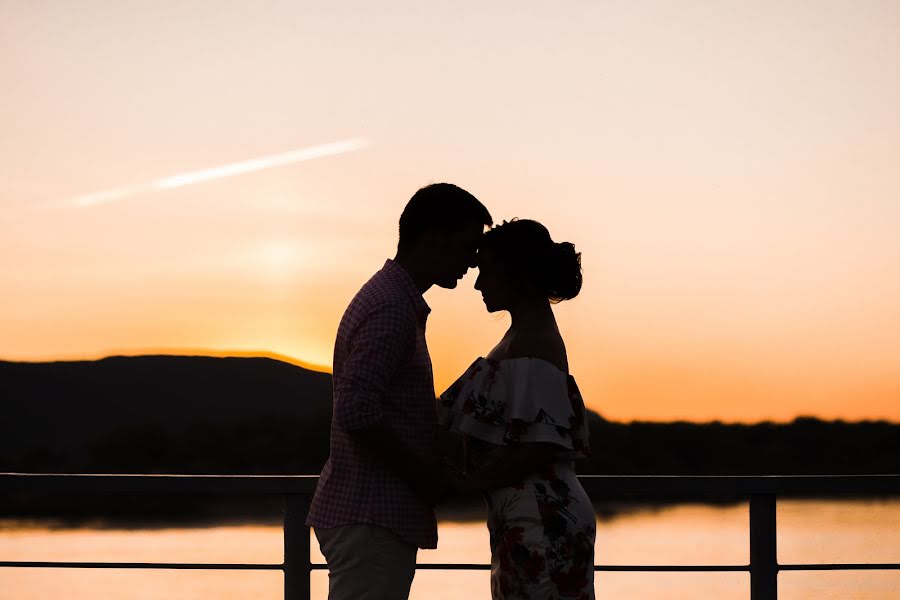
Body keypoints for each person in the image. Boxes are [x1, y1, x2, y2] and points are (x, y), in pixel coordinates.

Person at [307, 183, 492, 600]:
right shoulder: (392, 307)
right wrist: (425, 476)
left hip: (372, 513)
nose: (473, 261)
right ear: (432, 238)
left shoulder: (392, 299)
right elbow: (357, 411)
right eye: (468, 246)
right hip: (373, 514)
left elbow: (378, 406)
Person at [439, 219, 595, 600]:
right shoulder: (524, 335)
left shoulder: (533, 341)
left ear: (517, 274)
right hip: (530, 516)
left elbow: (539, 446)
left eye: (487, 271)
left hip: (540, 519)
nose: (478, 284)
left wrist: (468, 484)